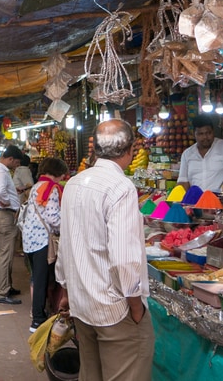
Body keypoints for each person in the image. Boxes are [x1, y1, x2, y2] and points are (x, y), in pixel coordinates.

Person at [56, 119, 154, 381]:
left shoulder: (74, 183)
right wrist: (136, 308)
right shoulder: (121, 188)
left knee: (91, 375)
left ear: (96, 149)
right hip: (115, 309)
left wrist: (65, 290)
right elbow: (124, 258)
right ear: (131, 149)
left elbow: (65, 243)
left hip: (82, 304)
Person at [22, 157, 68, 333]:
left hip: (29, 239)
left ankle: (38, 314)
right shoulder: (52, 189)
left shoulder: (36, 186)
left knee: (37, 279)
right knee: (41, 281)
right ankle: (37, 320)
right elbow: (53, 217)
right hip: (42, 240)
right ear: (58, 173)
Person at [0, 145, 24, 304]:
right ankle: (2, 293)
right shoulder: (1, 171)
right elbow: (1, 190)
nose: (16, 166)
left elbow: (3, 189)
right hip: (4, 216)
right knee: (5, 255)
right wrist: (7, 201)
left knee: (6, 254)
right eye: (16, 163)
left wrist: (11, 192)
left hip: (1, 215)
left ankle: (7, 286)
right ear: (10, 159)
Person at [178, 115, 223, 193]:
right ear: (193, 134)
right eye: (200, 134)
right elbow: (183, 181)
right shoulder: (187, 154)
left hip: (220, 198)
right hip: (196, 201)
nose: (205, 137)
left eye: (208, 133)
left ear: (213, 131)